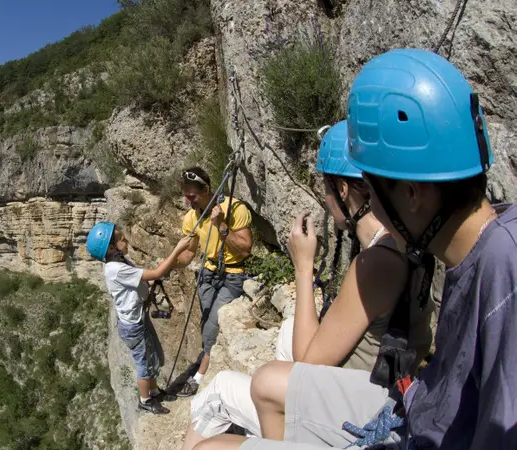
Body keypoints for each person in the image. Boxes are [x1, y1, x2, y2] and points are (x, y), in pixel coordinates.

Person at [195, 48, 517, 450]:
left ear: (413, 193)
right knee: (265, 383)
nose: (376, 210)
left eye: (375, 190)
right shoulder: (472, 258)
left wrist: (303, 265)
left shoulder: (505, 272)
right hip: (414, 414)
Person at [181, 120, 434, 449]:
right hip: (381, 384)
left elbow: (309, 362)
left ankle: (280, 435)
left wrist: (303, 266)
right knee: (288, 331)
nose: (327, 201)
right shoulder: (405, 241)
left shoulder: (377, 262)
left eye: (327, 189)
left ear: (342, 191)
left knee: (218, 391)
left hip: (362, 410)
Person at [87, 221, 192, 414]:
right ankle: (145, 400)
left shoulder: (120, 262)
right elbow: (156, 273)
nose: (126, 241)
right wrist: (177, 249)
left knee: (150, 357)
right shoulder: (117, 269)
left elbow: (145, 278)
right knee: (144, 362)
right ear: (111, 247)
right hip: (133, 326)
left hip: (137, 320)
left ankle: (153, 391)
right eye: (122, 239)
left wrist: (155, 278)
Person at [173, 167, 254, 397]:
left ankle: (199, 376)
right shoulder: (192, 217)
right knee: (207, 320)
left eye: (192, 195)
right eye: (185, 195)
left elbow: (246, 249)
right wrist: (167, 267)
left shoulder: (234, 209)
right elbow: (189, 254)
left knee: (211, 325)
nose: (187, 200)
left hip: (232, 274)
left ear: (207, 189)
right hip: (208, 275)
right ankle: (210, 356)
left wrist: (221, 226)